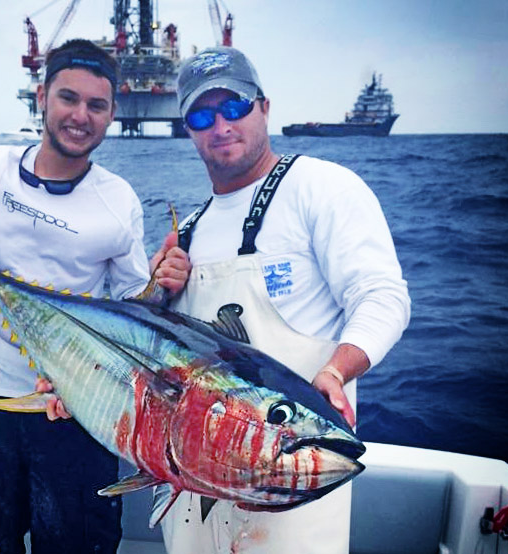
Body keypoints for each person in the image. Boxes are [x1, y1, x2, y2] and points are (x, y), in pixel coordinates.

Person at [0, 39, 189, 554]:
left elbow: (130, 309)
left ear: (113, 113)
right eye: (68, 98)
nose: (80, 115)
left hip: (77, 409)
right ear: (42, 96)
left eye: (97, 105)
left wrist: (163, 284)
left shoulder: (117, 201)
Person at [160, 46, 411, 554]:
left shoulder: (322, 188)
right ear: (188, 128)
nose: (221, 125)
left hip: (291, 475)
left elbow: (383, 296)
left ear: (264, 107)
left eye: (234, 106)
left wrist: (336, 372)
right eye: (202, 114)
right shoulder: (188, 229)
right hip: (194, 487)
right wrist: (157, 294)